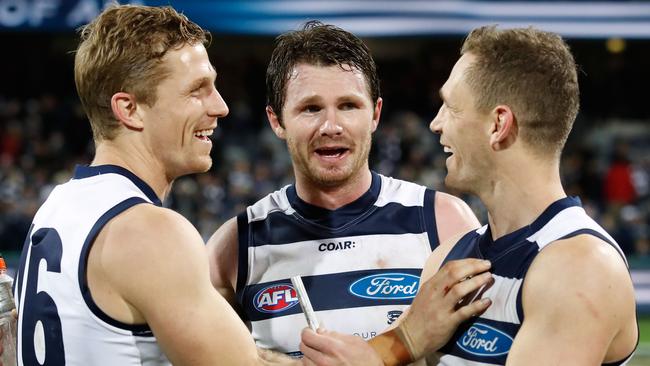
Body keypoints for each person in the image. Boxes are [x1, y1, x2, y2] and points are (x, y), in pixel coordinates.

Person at [9, 6, 493, 366]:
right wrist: (401, 342)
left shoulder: (58, 208)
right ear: (129, 109)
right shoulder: (168, 236)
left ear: (375, 114)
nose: (220, 106)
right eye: (197, 89)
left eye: (348, 105)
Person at [301, 25, 639, 365]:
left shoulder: (581, 268)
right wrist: (394, 347)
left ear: (498, 125)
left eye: (451, 107)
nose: (436, 123)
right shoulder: (447, 258)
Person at [206, 20, 489, 359]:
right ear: (277, 121)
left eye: (349, 106)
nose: (331, 126)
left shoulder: (444, 222)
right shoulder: (234, 248)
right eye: (311, 108)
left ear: (375, 114)